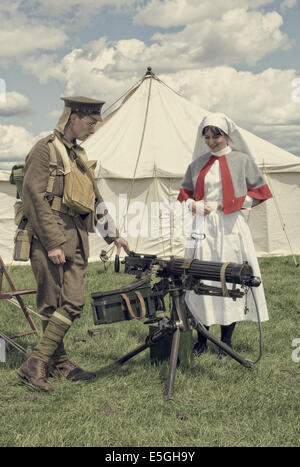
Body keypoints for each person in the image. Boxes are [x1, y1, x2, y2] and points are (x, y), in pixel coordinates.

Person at [17, 96, 130, 391]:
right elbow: (33, 197)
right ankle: (54, 361)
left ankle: (40, 361)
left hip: (76, 234)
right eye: (90, 123)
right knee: (51, 302)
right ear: (72, 117)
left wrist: (112, 233)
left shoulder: (78, 154)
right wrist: (53, 241)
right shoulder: (45, 150)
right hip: (50, 234)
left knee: (73, 301)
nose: (93, 130)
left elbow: (93, 197)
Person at [178, 113, 273, 356]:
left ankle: (226, 341)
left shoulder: (242, 161)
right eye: (207, 137)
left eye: (216, 135)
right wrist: (193, 205)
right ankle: (202, 338)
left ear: (227, 134)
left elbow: (260, 193)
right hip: (202, 228)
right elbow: (184, 194)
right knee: (200, 278)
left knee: (229, 277)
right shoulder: (197, 164)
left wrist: (234, 205)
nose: (211, 141)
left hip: (230, 228)